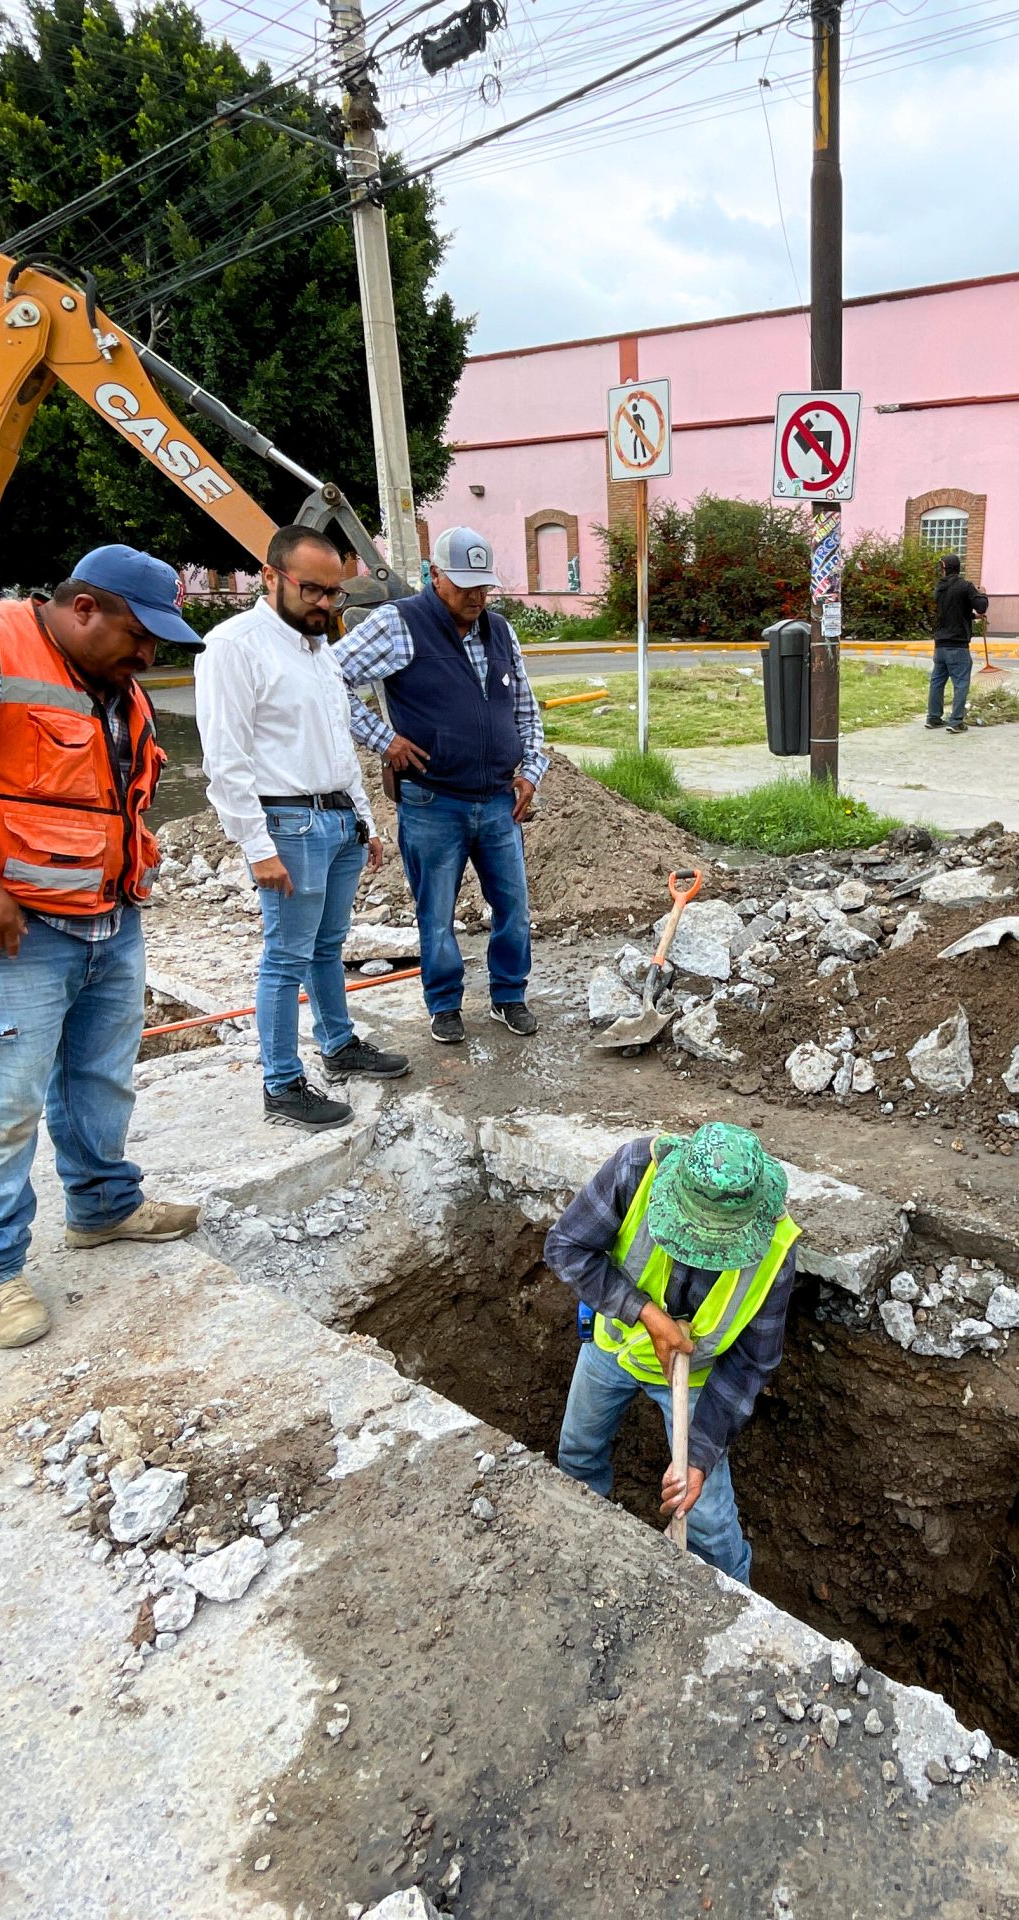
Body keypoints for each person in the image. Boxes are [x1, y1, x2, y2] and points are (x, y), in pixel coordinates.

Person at [0, 545, 202, 1350]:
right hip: (9, 924)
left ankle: (102, 1204)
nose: (147, 654)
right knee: (0, 1103)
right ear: (84, 606)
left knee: (101, 1077)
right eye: (139, 634)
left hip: (106, 915)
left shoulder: (113, 684)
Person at [197, 526, 411, 1132]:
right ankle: (283, 1084)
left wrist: (364, 820)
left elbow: (337, 741)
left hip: (337, 818)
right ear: (270, 576)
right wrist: (256, 846)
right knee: (285, 956)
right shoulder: (234, 647)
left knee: (326, 947)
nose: (325, 604)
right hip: (286, 823)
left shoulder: (318, 650)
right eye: (312, 590)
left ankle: (338, 1046)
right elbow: (225, 759)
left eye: (334, 593)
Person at [544, 1122, 798, 1586]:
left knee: (710, 1524)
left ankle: (734, 1608)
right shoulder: (635, 1170)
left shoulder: (773, 1248)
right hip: (616, 1345)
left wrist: (699, 1457)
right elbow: (566, 1247)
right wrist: (644, 1314)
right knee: (578, 1455)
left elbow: (750, 1364)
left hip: (698, 1379)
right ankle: (580, 1553)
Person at [332, 526, 547, 1046]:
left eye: (484, 587)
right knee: (436, 913)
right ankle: (445, 1005)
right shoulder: (397, 623)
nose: (476, 597)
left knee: (514, 909)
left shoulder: (499, 630)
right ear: (435, 575)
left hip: (497, 799)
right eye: (465, 585)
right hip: (432, 800)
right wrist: (383, 739)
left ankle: (509, 995)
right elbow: (327, 679)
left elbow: (523, 705)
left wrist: (531, 770)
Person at [926, 549, 988, 733]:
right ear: (958, 569)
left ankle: (933, 717)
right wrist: (982, 594)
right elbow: (982, 606)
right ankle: (956, 722)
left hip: (940, 645)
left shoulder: (940, 588)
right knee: (961, 683)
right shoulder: (966, 586)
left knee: (937, 682)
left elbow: (953, 610)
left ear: (944, 569)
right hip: (958, 645)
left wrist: (971, 616)